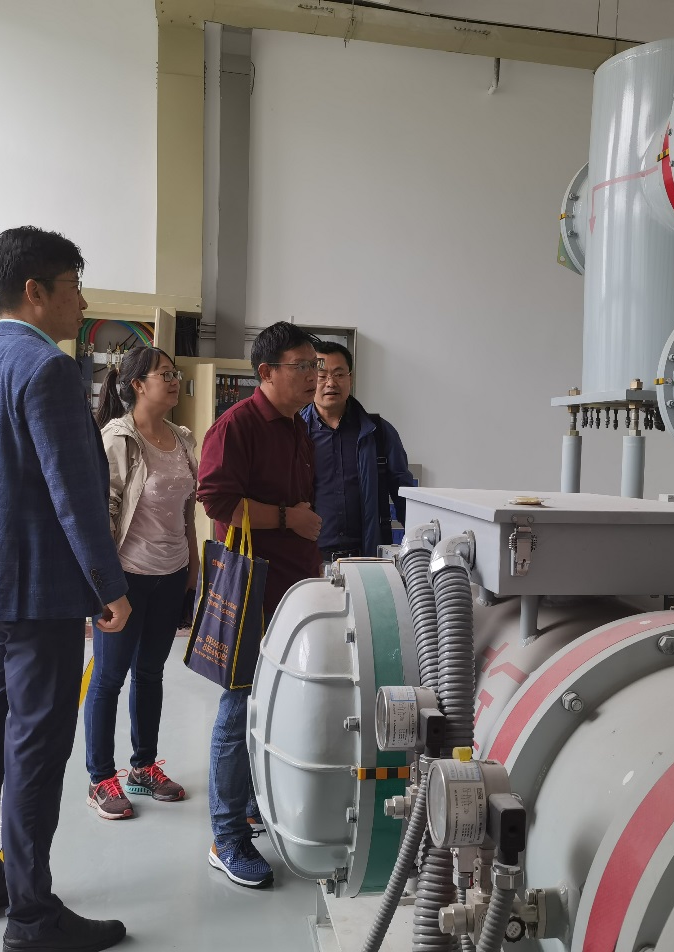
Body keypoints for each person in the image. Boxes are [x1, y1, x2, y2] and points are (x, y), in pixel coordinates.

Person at [0, 227, 130, 952]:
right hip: (44, 593)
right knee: (37, 747)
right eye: (74, 286)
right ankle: (31, 916)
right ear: (35, 292)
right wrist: (107, 586)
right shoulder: (47, 370)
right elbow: (75, 495)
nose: (82, 303)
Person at [195, 321, 324, 888]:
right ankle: (225, 838)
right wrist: (287, 518)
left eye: (315, 366)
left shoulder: (297, 426)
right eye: (302, 366)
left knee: (271, 700)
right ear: (266, 372)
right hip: (252, 586)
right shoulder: (237, 426)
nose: (314, 376)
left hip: (293, 583)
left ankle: (248, 806)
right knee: (239, 703)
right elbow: (215, 500)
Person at [83, 345, 199, 821]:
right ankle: (100, 778)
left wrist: (192, 565)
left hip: (171, 574)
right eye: (164, 374)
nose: (173, 381)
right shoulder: (117, 439)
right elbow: (98, 516)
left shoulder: (183, 438)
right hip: (126, 577)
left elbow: (186, 511)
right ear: (137, 385)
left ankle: (143, 767)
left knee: (151, 673)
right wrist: (106, 586)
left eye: (175, 374)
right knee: (109, 678)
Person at [298, 341, 415, 562]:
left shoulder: (378, 432)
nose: (331, 383)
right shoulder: (295, 433)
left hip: (368, 559)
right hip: (310, 561)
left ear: (350, 379)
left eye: (339, 374)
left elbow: (406, 497)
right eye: (322, 376)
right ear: (310, 379)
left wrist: (420, 550)